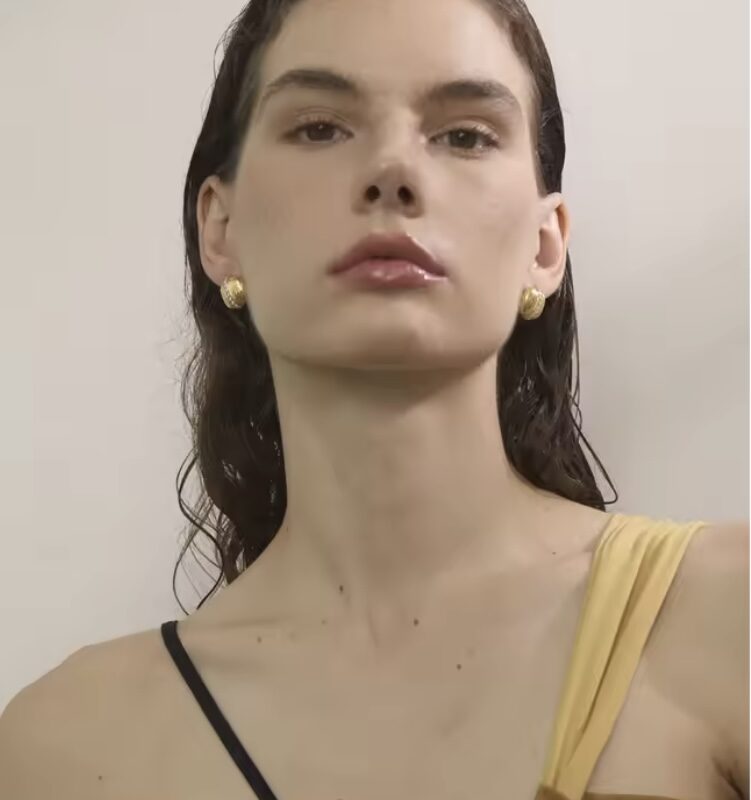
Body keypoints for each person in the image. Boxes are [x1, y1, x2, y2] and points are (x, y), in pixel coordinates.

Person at [1, 0, 747, 797]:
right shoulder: (66, 746)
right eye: (320, 128)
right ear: (219, 229)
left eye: (465, 135)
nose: (392, 170)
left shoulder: (723, 618)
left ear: (544, 245)